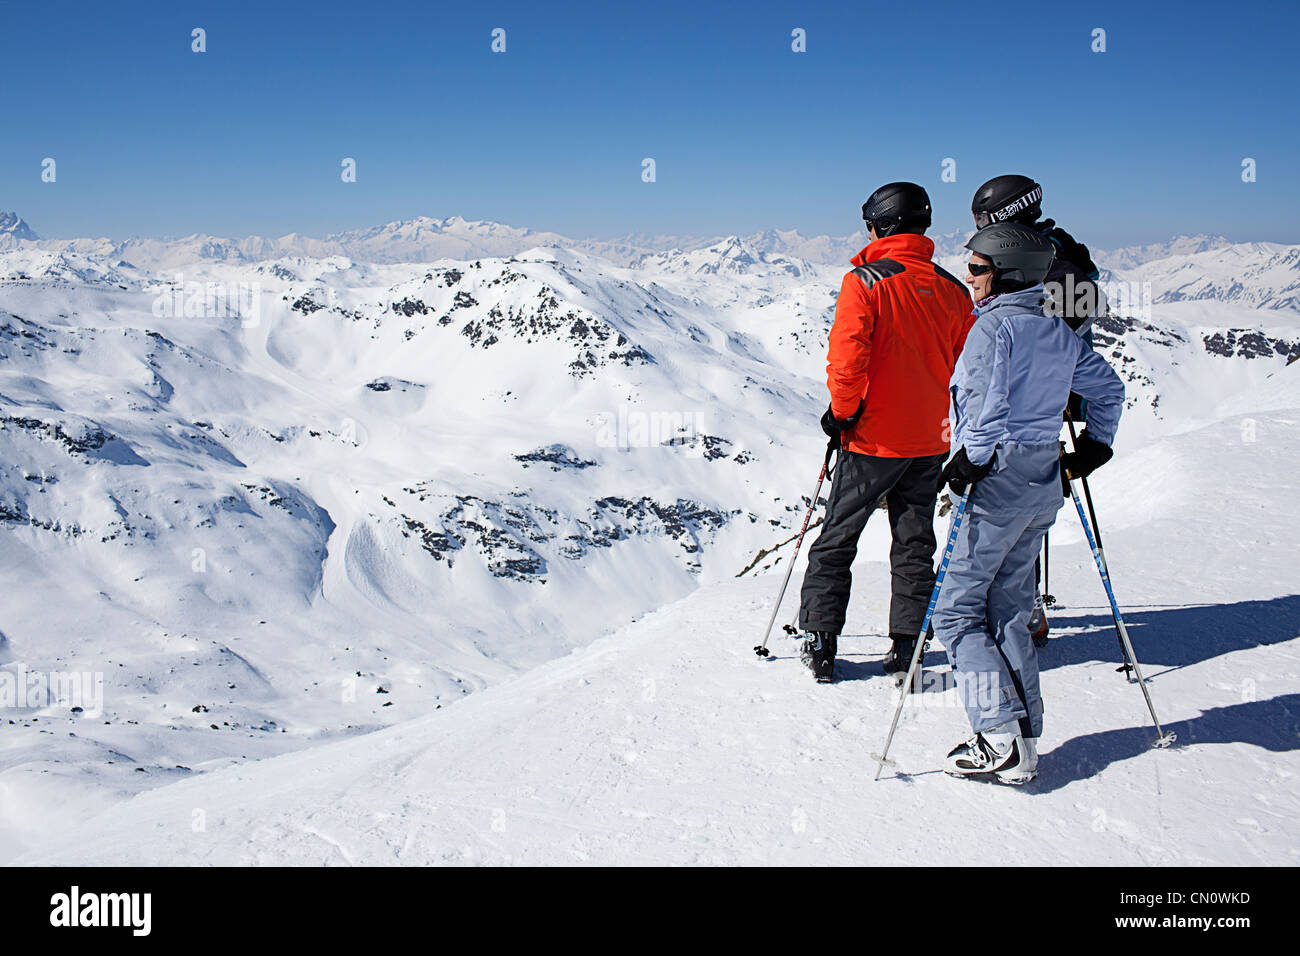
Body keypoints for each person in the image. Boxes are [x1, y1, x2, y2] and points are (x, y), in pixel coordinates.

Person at [933, 223, 1124, 784]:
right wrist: (1094, 446)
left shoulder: (991, 330)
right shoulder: (1057, 328)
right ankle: (1025, 740)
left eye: (975, 267)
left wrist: (968, 461)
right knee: (1010, 608)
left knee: (955, 612)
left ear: (1004, 272)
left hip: (997, 484)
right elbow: (1107, 389)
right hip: (1042, 483)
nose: (967, 276)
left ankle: (997, 736)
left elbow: (986, 406)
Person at [797, 182, 975, 682]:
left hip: (873, 439)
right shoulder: (954, 290)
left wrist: (842, 414)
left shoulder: (865, 282)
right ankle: (908, 646)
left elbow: (848, 359)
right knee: (915, 543)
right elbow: (965, 367)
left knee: (837, 538)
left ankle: (820, 638)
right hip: (929, 440)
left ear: (878, 226)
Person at [971, 174, 1107, 645]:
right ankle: (1021, 606)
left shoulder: (1050, 262)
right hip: (1056, 398)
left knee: (1017, 509)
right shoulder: (1062, 256)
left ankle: (1020, 610)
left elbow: (1044, 336)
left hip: (1035, 403)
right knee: (1029, 509)